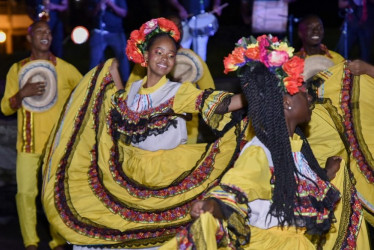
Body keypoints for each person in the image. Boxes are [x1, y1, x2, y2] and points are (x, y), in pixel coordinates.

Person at [41, 17, 246, 248]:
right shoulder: (134, 90)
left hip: (167, 173)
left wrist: (251, 96)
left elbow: (219, 103)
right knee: (124, 229)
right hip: (131, 170)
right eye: (159, 52)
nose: (164, 59)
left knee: (168, 233)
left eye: (170, 55)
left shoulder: (177, 91)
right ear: (146, 55)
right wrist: (110, 69)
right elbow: (115, 103)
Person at [161, 34, 341, 249]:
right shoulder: (261, 150)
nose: (309, 95)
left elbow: (297, 189)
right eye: (301, 90)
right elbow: (236, 188)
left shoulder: (292, 146)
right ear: (287, 103)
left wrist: (328, 173)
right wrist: (212, 205)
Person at [0, 20, 82, 250]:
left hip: (56, 145)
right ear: (30, 38)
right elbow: (6, 107)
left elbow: (85, 90)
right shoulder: (17, 70)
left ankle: (58, 239)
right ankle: (30, 242)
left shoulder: (64, 68)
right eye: (39, 32)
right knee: (25, 194)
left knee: (54, 196)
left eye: (48, 32)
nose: (45, 35)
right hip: (27, 143)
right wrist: (22, 94)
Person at [127, 15, 215, 143]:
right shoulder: (147, 61)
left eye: (179, 27)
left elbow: (210, 92)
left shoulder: (192, 60)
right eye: (171, 27)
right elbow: (128, 92)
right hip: (150, 134)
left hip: (186, 131)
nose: (177, 30)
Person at [88, 0, 130, 82]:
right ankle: (91, 84)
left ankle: (126, 82)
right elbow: (89, 14)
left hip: (116, 32)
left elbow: (124, 13)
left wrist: (111, 4)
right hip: (98, 32)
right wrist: (98, 7)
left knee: (122, 57)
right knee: (94, 60)